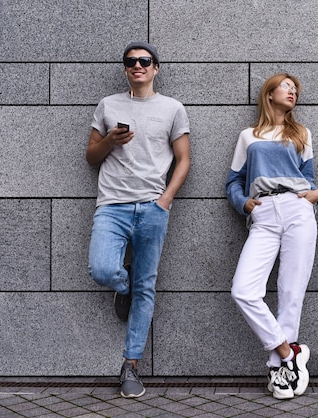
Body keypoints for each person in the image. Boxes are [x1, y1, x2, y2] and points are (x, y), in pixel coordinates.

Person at [85, 41, 190, 398]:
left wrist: (165, 200)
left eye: (144, 61)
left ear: (155, 68)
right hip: (112, 205)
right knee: (101, 270)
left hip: (152, 207)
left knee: (148, 286)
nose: (137, 65)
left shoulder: (172, 108)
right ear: (126, 68)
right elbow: (90, 157)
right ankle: (122, 282)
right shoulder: (108, 105)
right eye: (130, 62)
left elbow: (184, 160)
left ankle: (130, 366)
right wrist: (111, 141)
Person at [226, 73, 318, 400]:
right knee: (243, 290)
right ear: (269, 94)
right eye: (286, 87)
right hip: (264, 213)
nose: (293, 92)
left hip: (297, 210)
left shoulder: (301, 134)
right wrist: (245, 204)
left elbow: (308, 180)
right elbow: (233, 183)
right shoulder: (248, 137)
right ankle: (287, 352)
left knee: (290, 292)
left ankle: (281, 372)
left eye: (296, 89)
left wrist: (314, 195)